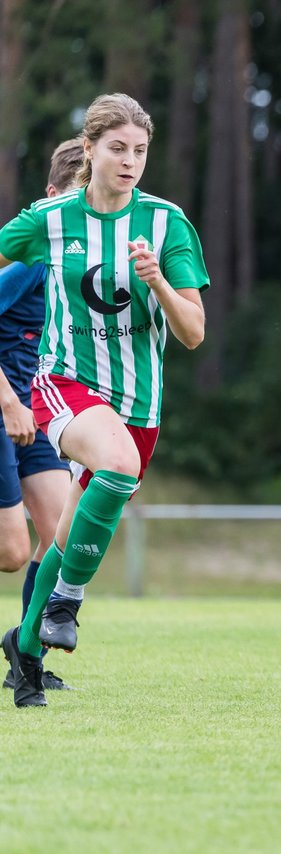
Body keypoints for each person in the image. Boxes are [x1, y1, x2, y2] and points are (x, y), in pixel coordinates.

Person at [0, 93, 209, 708]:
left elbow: (194, 333)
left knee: (66, 528)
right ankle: (66, 600)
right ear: (88, 149)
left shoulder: (168, 225)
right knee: (115, 464)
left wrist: (160, 285)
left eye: (140, 151)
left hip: (139, 403)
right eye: (117, 148)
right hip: (61, 385)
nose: (130, 162)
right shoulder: (49, 219)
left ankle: (29, 651)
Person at [0, 139, 82, 694]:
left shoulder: (86, 265)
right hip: (5, 403)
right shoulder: (30, 261)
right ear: (51, 198)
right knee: (12, 552)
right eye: (78, 199)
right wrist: (8, 399)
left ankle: (23, 656)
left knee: (61, 533)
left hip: (35, 412)